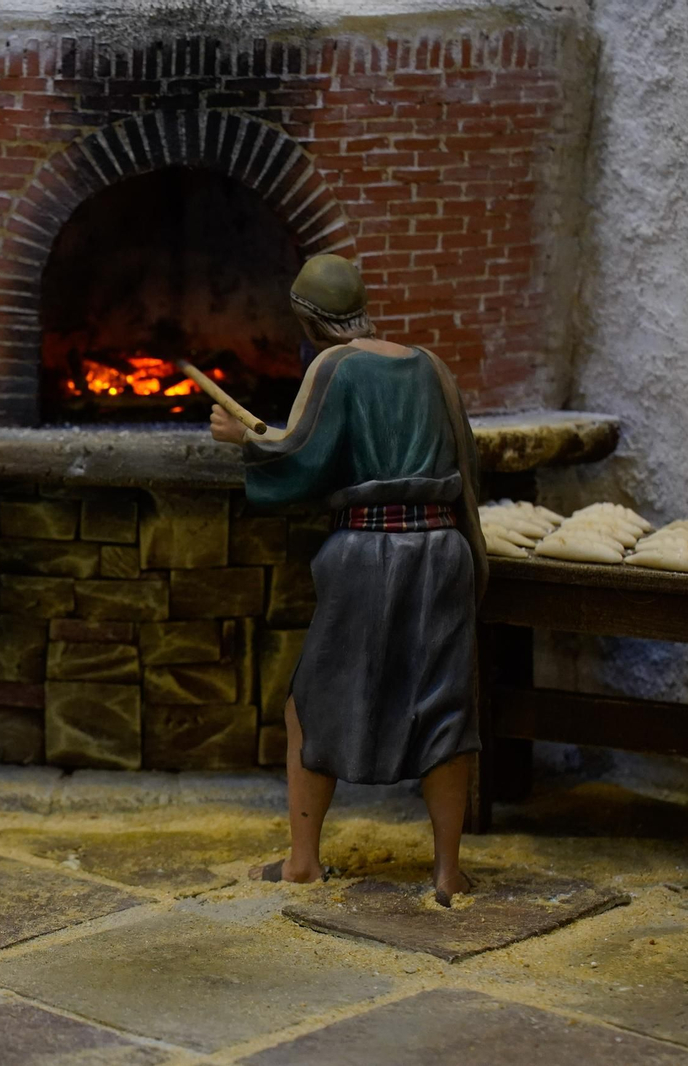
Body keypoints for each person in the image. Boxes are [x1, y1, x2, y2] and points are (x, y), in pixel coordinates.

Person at [210, 254, 488, 906]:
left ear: (307, 319)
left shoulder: (333, 367)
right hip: (442, 550)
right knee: (446, 705)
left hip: (371, 552)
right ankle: (448, 872)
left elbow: (304, 460)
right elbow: (467, 461)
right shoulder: (431, 367)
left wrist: (242, 441)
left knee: (310, 702)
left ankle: (302, 863)